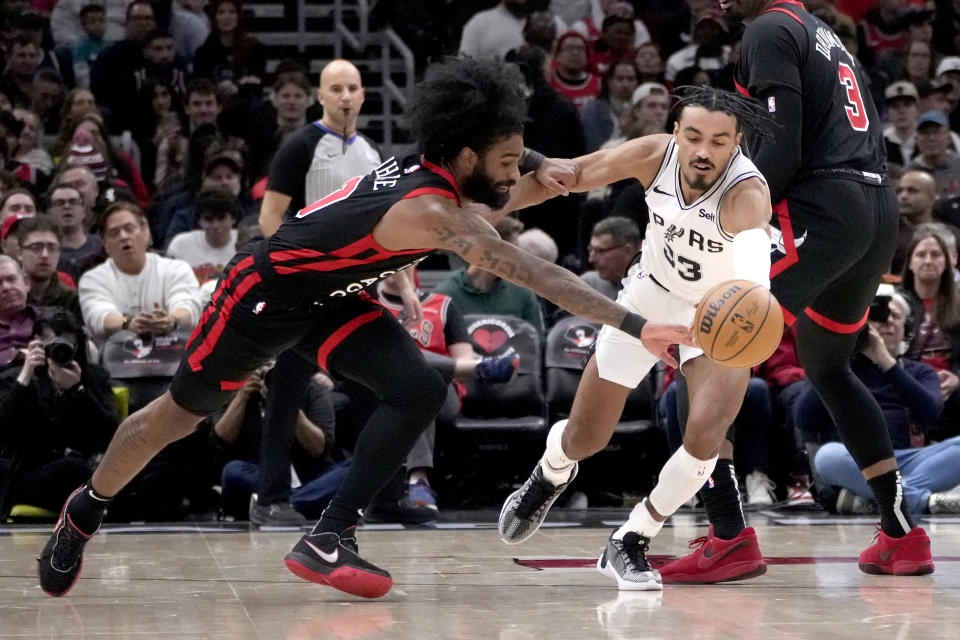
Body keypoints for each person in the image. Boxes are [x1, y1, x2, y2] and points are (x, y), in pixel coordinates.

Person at [35, 56, 693, 600]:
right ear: (467, 156)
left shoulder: (455, 177)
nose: (517, 168)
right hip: (262, 298)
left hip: (331, 299)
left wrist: (549, 165)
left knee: (418, 389)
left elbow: (522, 186)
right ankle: (85, 509)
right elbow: (538, 274)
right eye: (509, 157)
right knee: (174, 420)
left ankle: (329, 535)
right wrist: (639, 324)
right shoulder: (433, 212)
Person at [655, 0, 935, 582]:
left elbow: (781, 146)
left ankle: (728, 535)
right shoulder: (822, 34)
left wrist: (717, 217)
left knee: (699, 347)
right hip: (874, 212)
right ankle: (900, 535)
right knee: (828, 365)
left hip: (824, 206)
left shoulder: (768, 27)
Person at [498, 86, 775, 591]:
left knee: (705, 441)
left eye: (718, 141)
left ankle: (632, 537)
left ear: (737, 144)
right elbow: (573, 173)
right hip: (648, 298)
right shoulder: (654, 155)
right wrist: (488, 211)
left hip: (717, 313)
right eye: (692, 136)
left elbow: (755, 268)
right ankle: (554, 468)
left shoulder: (746, 194)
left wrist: (753, 305)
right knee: (588, 437)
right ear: (676, 134)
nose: (702, 151)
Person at [0, 310, 118, 518]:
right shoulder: (16, 377)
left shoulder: (95, 377)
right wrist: (25, 376)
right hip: (31, 473)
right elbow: (5, 430)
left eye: (67, 343)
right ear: (37, 343)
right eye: (52, 343)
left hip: (89, 468)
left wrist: (77, 390)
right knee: (75, 471)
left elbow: (110, 433)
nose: (59, 350)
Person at [259, 59, 381, 231]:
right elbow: (269, 216)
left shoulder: (372, 149)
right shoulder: (299, 144)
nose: (346, 97)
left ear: (362, 95)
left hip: (364, 256)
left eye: (352, 89)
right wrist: (291, 258)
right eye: (336, 89)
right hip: (315, 254)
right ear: (321, 97)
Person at [77, 202, 201, 339]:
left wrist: (173, 320)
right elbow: (98, 315)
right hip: (115, 355)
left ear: (146, 231)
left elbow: (188, 305)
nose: (123, 236)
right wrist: (128, 323)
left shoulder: (176, 269)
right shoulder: (93, 279)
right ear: (105, 244)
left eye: (129, 229)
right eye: (114, 233)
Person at [15, 217, 82, 322]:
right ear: (19, 253)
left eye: (52, 248)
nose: (45, 255)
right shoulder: (8, 296)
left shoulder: (72, 300)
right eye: (36, 247)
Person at [580, 216, 640, 300]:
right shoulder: (588, 284)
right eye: (591, 249)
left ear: (627, 251)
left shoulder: (648, 287)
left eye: (600, 251)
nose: (591, 259)